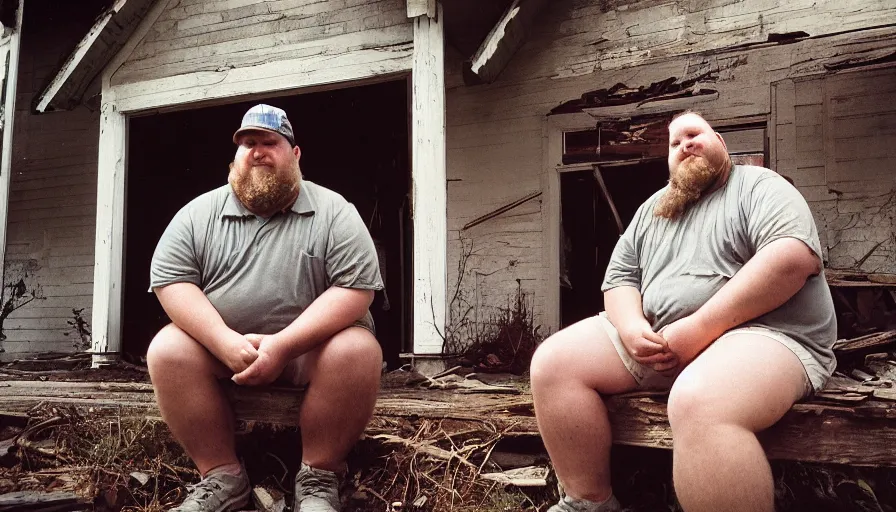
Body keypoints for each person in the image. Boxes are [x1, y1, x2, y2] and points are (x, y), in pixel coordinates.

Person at [531, 111, 836, 512]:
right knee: (552, 364)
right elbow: (619, 280)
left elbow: (791, 258)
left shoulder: (759, 186)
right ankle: (590, 502)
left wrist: (699, 328)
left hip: (765, 335)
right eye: (675, 143)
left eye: (695, 135)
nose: (685, 145)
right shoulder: (654, 209)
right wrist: (631, 326)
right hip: (664, 342)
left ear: (722, 144)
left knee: (697, 400)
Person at [146, 104, 384, 512]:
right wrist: (224, 343)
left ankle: (319, 476)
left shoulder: (335, 212)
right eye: (247, 143)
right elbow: (172, 283)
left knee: (358, 350)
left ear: (295, 154)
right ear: (233, 159)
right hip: (224, 354)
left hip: (312, 356)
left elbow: (356, 290)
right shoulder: (196, 215)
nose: (258, 151)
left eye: (270, 142)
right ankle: (222, 476)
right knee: (167, 348)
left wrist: (283, 347)